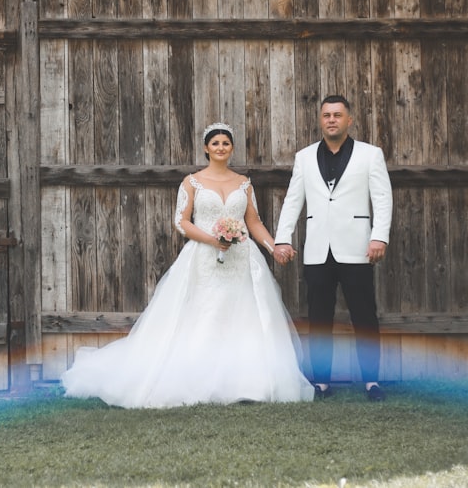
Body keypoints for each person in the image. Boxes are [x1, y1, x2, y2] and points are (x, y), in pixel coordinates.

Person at [61, 122, 315, 408]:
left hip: (240, 259)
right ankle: (197, 379)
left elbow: (253, 221)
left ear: (232, 148)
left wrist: (274, 247)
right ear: (206, 148)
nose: (221, 147)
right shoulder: (192, 182)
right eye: (215, 143)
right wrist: (212, 239)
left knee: (243, 314)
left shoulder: (243, 183)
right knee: (204, 312)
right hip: (204, 258)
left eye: (226, 143)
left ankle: (246, 383)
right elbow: (180, 221)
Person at [273, 95, 393, 401]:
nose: (331, 119)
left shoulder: (370, 155)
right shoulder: (304, 157)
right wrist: (283, 238)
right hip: (317, 251)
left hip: (357, 247)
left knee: (364, 316)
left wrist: (379, 236)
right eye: (326, 114)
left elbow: (382, 198)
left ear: (349, 120)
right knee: (318, 318)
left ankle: (371, 382)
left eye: (337, 115)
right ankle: (321, 383)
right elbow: (292, 201)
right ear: (320, 119)